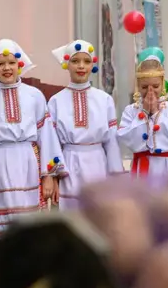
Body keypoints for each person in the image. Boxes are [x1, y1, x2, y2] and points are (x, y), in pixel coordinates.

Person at [0, 38, 61, 240]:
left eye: (11, 63)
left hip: (28, 163)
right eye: (0, 63)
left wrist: (49, 175)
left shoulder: (34, 95)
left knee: (30, 222)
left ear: (20, 65)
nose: (6, 68)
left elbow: (47, 136)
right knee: (1, 224)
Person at [47, 39, 123, 208]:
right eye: (75, 61)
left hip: (98, 164)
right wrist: (54, 178)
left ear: (92, 65)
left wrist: (116, 176)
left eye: (86, 61)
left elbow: (111, 141)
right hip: (69, 165)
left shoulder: (105, 100)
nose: (81, 66)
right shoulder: (55, 101)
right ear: (67, 64)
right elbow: (52, 143)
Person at [117, 47, 168, 177]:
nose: (150, 91)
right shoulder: (130, 111)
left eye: (155, 86)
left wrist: (155, 112)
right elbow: (125, 138)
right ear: (138, 86)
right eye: (144, 87)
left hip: (166, 168)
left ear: (162, 84)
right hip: (141, 168)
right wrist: (144, 113)